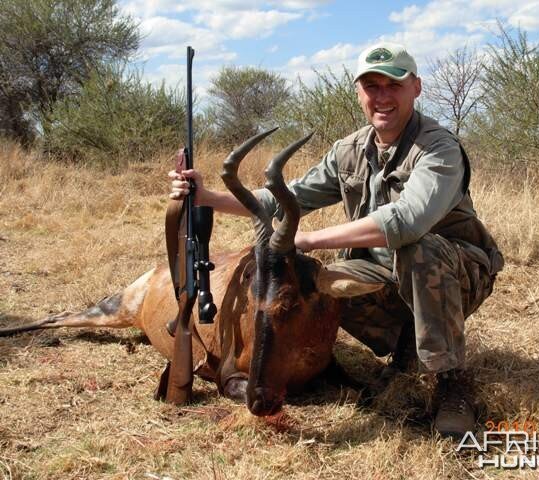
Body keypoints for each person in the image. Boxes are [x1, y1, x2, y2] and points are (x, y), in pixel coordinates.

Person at [169, 42, 504, 439]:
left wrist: (309, 239)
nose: (381, 97)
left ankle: (451, 385)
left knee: (421, 251)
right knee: (305, 282)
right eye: (371, 86)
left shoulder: (438, 148)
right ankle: (403, 348)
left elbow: (407, 222)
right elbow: (283, 198)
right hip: (382, 272)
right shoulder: (348, 150)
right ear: (359, 92)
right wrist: (207, 197)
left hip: (456, 273)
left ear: (416, 87)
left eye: (392, 86)